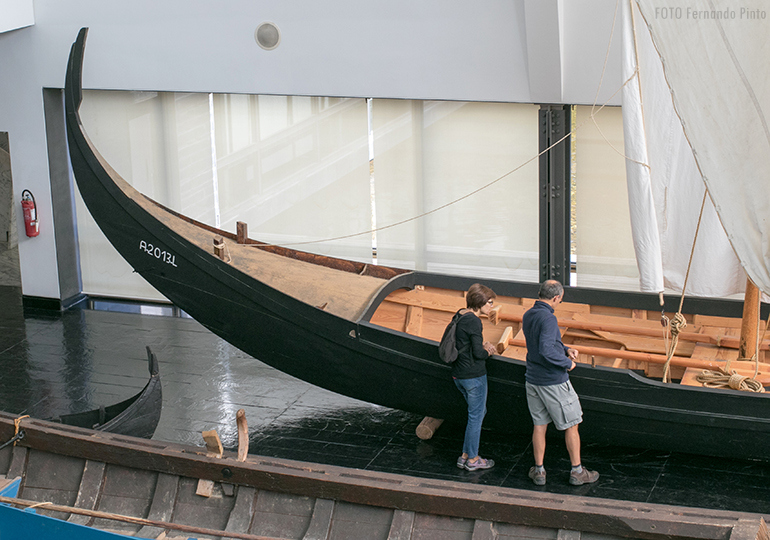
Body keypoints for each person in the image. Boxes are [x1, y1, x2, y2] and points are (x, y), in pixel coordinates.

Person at [522, 280, 599, 486]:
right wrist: (567, 363)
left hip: (533, 379)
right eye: (560, 300)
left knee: (539, 425)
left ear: (540, 293)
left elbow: (542, 343)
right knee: (572, 425)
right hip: (552, 381)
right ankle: (577, 471)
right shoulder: (548, 318)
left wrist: (564, 348)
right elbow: (546, 350)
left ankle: (539, 471)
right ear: (556, 298)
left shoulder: (529, 314)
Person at [451, 283, 498, 471]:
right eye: (490, 302)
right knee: (476, 416)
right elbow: (478, 353)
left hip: (459, 375)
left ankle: (464, 455)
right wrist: (489, 351)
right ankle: (472, 459)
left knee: (476, 414)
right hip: (473, 376)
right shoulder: (474, 321)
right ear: (480, 302)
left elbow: (467, 344)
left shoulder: (460, 315)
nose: (491, 306)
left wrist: (481, 346)